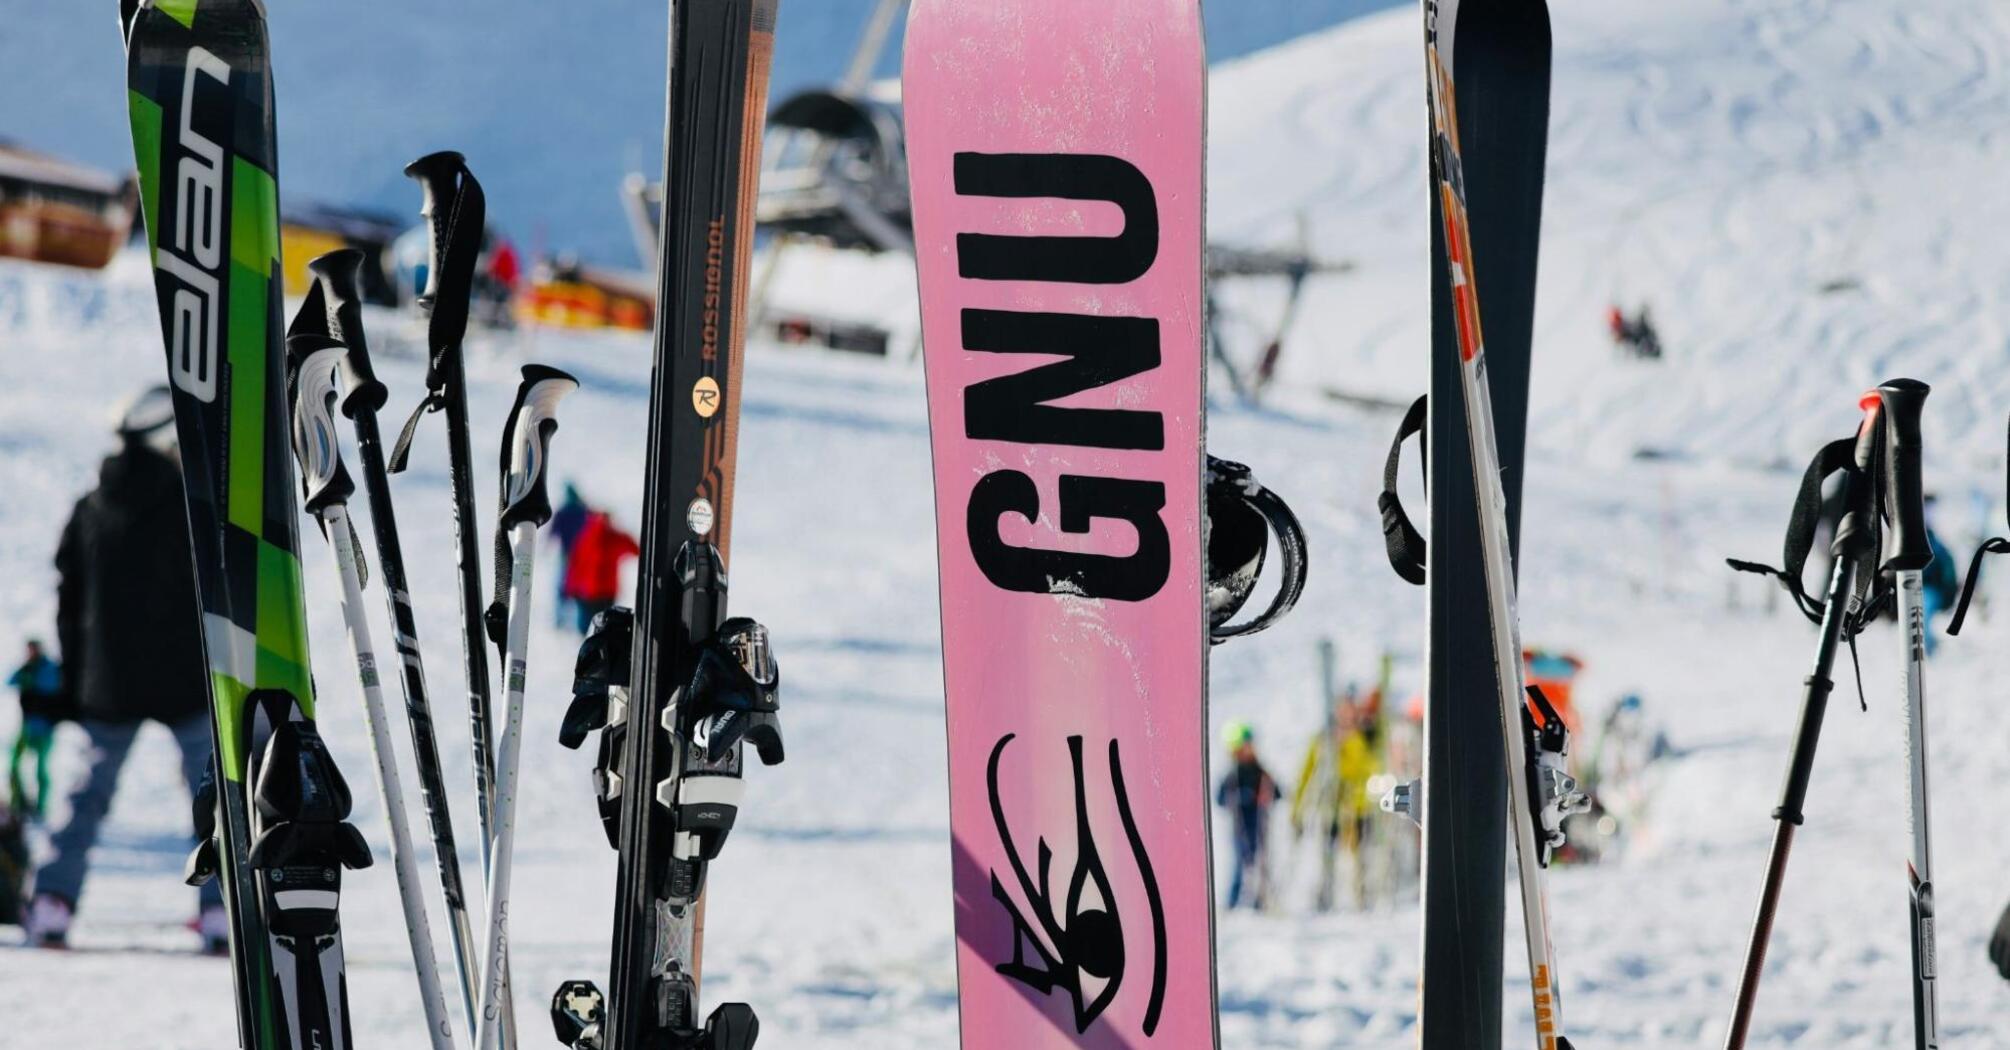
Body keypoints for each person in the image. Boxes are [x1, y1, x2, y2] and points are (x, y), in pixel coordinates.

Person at [22, 387, 223, 950]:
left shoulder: (91, 506)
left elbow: (69, 596)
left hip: (108, 683)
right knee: (211, 796)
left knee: (85, 795)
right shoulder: (194, 504)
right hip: (187, 680)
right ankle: (220, 908)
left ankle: (51, 902)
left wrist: (71, 678)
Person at [1215, 721, 1278, 911]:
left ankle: (1262, 900)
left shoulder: (1261, 772)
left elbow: (1278, 792)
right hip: (1240, 827)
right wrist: (1241, 797)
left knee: (1262, 863)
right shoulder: (1232, 775)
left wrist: (1268, 795)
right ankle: (1232, 901)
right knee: (1240, 863)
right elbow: (1221, 798)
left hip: (1259, 825)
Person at [8, 639, 65, 822]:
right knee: (14, 765)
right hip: (26, 726)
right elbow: (10, 681)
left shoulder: (48, 667)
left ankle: (40, 807)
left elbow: (51, 686)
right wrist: (25, 672)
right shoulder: (27, 667)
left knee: (41, 770)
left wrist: (31, 679)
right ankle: (18, 802)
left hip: (45, 729)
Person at [564, 510, 640, 634]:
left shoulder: (585, 537)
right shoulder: (614, 537)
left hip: (589, 591)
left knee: (587, 628)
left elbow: (575, 564)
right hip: (606, 592)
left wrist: (571, 587)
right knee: (604, 626)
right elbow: (635, 548)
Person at [1921, 495, 1959, 656]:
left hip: (1930, 589)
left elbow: (1947, 569)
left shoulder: (1936, 543)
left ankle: (1927, 647)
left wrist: (1949, 592)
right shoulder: (1930, 540)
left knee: (1925, 613)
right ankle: (1926, 646)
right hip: (1920, 587)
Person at [548, 484, 590, 629]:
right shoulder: (583, 509)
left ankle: (561, 620)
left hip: (568, 554)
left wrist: (546, 545)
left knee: (563, 586)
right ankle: (576, 621)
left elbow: (553, 532)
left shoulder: (565, 510)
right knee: (577, 588)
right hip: (580, 555)